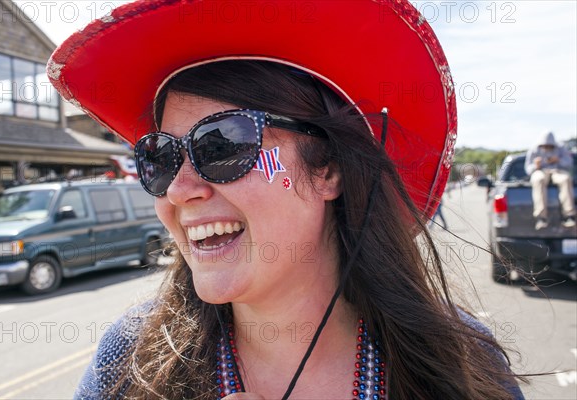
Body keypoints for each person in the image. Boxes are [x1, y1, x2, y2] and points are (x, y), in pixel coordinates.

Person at [48, 1, 526, 399]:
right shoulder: (130, 361)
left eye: (222, 146)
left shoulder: (460, 361)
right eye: (161, 157)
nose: (179, 188)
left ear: (329, 170)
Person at [525, 132, 576, 230]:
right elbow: (528, 169)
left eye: (549, 146)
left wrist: (558, 160)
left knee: (565, 178)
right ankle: (541, 217)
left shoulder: (560, 148)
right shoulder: (534, 150)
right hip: (540, 171)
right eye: (545, 146)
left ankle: (569, 216)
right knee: (538, 179)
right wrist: (536, 165)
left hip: (557, 170)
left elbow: (569, 163)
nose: (547, 148)